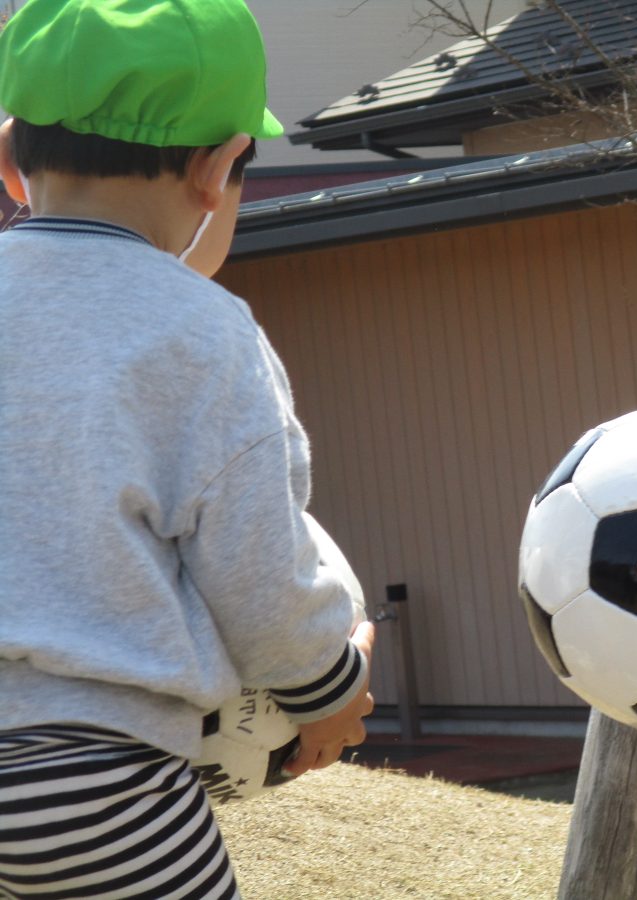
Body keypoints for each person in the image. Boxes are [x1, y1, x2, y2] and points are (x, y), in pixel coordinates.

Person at [0, 1, 374, 896]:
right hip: (89, 781)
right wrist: (332, 692)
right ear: (216, 170)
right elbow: (258, 573)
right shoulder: (205, 333)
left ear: (10, 159)